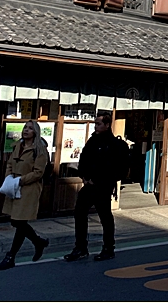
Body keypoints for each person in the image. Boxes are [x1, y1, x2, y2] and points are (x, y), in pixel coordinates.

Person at [64, 112, 120, 262]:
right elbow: (83, 158)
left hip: (103, 186)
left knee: (105, 217)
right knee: (79, 213)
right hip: (89, 185)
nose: (96, 126)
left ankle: (108, 248)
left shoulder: (113, 144)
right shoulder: (93, 140)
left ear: (107, 125)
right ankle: (81, 247)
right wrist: (84, 177)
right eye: (95, 123)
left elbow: (111, 168)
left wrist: (98, 180)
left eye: (99, 124)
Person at [0, 120, 49, 271]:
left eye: (30, 128)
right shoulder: (18, 146)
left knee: (18, 221)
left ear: (35, 132)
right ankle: (38, 242)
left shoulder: (39, 149)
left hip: (29, 188)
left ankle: (11, 256)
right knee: (17, 222)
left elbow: (39, 172)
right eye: (25, 127)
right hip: (14, 185)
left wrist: (21, 180)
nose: (26, 130)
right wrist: (9, 178)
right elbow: (10, 164)